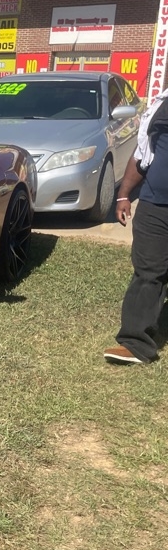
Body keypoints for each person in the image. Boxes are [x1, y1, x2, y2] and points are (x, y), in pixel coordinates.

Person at [105, 84, 168, 364]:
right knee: (148, 271)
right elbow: (143, 154)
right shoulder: (160, 104)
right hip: (155, 205)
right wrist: (124, 194)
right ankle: (135, 343)